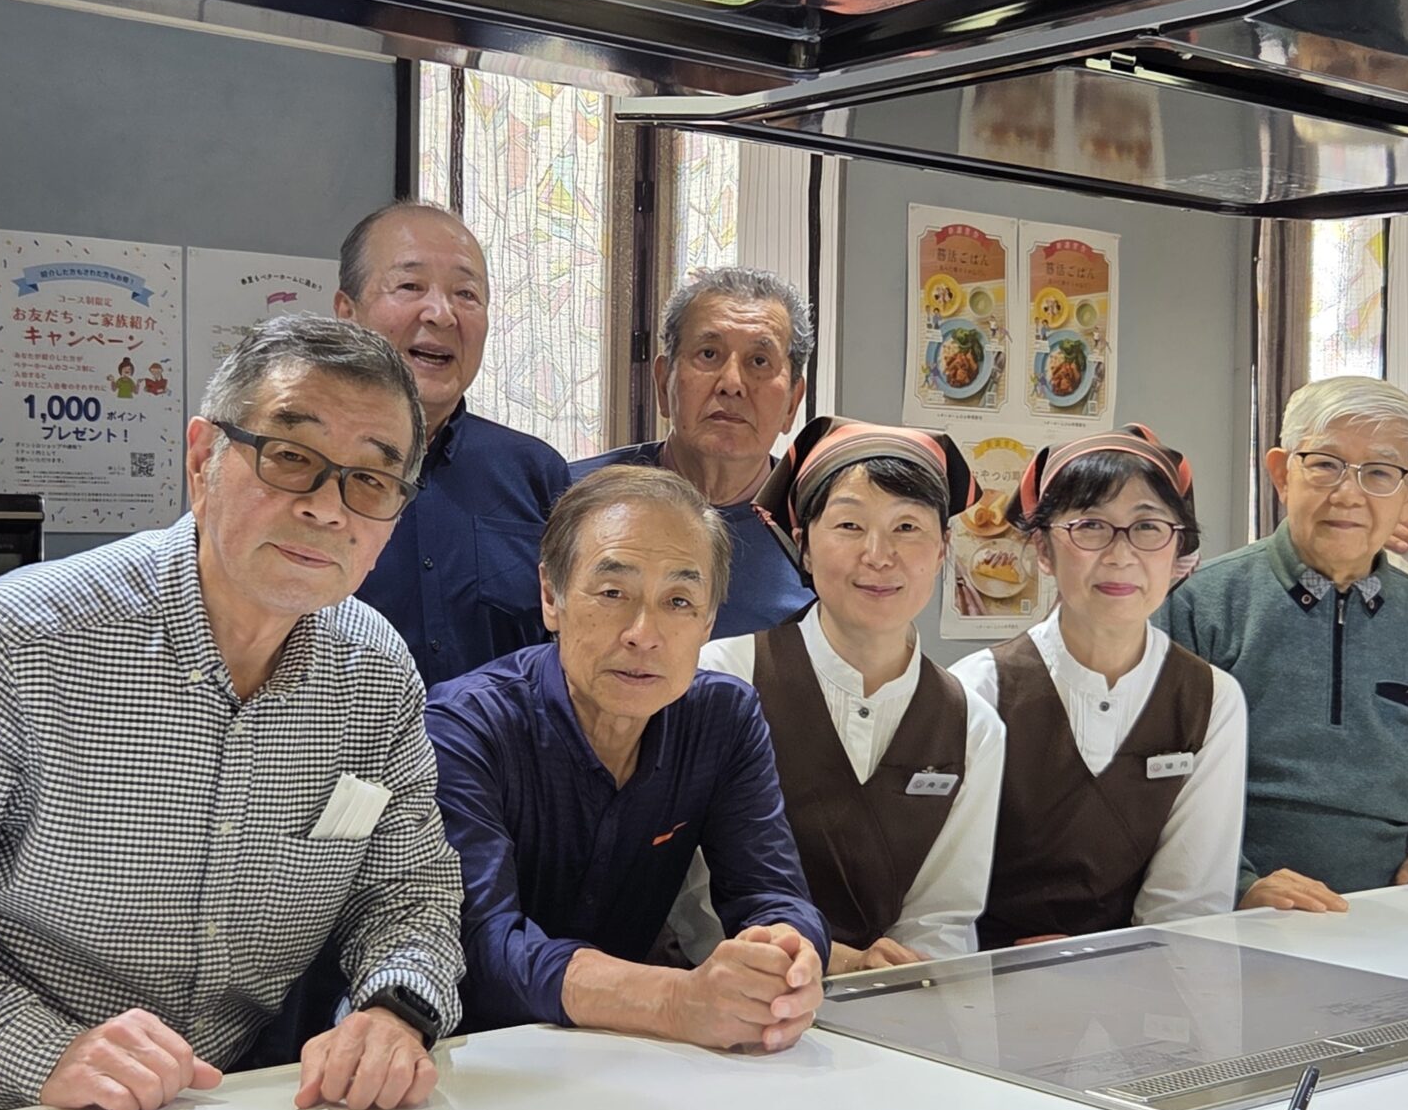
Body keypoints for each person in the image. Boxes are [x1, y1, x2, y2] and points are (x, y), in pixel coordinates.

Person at [0, 314, 465, 1110]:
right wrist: (45, 1051)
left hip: (227, 1109)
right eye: (291, 457)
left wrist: (396, 1007)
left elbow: (407, 891)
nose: (329, 509)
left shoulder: (376, 676)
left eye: (369, 479)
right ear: (202, 459)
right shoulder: (22, 640)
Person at [429, 465, 829, 1051]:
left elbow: (770, 892)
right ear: (551, 596)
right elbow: (479, 946)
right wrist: (674, 1000)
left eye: (679, 601)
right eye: (613, 593)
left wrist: (787, 956)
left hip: (633, 1053)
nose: (644, 633)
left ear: (708, 621)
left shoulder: (725, 719)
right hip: (470, 1059)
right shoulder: (466, 726)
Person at [671, 417, 1002, 973]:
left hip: (893, 1003)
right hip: (724, 990)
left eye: (907, 527)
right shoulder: (720, 677)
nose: (879, 554)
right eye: (850, 525)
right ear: (802, 544)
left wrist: (900, 976)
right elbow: (692, 893)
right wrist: (834, 962)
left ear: (944, 549)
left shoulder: (972, 724)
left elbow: (944, 915)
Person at [1161, 378, 1408, 913]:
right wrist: (1236, 884)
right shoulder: (1199, 607)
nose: (1348, 494)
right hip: (1233, 912)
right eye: (1324, 465)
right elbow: (1161, 774)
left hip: (1394, 910)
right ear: (1281, 474)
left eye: (1380, 473)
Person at [950, 427, 1244, 946]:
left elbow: (1189, 904)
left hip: (1146, 976)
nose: (1120, 555)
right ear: (1043, 549)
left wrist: (1098, 965)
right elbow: (944, 901)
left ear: (1179, 552)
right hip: (988, 973)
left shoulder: (1211, 698)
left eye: (1148, 527)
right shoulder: (978, 690)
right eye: (1090, 526)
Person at [340, 201, 570, 688]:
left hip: (501, 739)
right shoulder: (293, 471)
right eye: (410, 286)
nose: (442, 314)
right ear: (347, 313)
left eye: (466, 294)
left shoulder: (535, 473)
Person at [571, 267, 813, 638]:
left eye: (759, 361)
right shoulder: (571, 498)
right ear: (662, 382)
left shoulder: (821, 529)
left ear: (793, 403)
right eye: (709, 354)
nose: (732, 383)